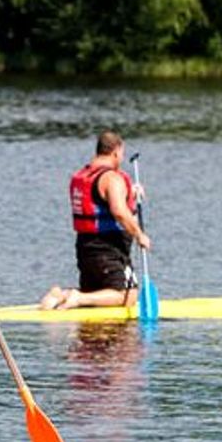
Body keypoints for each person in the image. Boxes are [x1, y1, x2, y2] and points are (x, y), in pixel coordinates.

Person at [40, 130, 151, 310]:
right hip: (108, 248)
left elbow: (101, 199)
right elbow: (119, 212)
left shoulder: (83, 175)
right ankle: (75, 297)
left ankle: (61, 296)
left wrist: (130, 191)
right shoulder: (112, 178)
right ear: (116, 152)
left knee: (97, 292)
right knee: (126, 296)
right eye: (121, 155)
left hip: (85, 246)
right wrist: (139, 235)